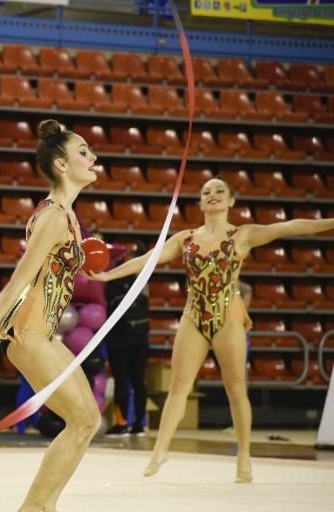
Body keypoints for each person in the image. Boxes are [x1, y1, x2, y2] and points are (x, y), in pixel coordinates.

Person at [90, 177, 334, 482]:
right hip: (194, 314)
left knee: (235, 389)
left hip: (228, 315)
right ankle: (159, 452)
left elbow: (289, 226)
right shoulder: (185, 238)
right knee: (179, 387)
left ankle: (244, 456)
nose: (213, 195)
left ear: (231, 201)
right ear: (200, 203)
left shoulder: (242, 235)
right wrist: (107, 275)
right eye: (206, 192)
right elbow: (148, 260)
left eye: (220, 191)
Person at [0, 119, 99, 512]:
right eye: (83, 151)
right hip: (27, 331)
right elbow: (19, 280)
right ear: (60, 164)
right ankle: (32, 508)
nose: (93, 157)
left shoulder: (67, 217)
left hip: (43, 332)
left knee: (88, 420)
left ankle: (43, 506)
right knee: (81, 420)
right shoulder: (53, 217)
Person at [103, 243, 150, 436]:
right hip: (140, 338)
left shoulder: (114, 279)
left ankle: (122, 423)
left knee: (122, 380)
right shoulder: (143, 281)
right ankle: (139, 423)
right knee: (139, 381)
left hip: (120, 339)